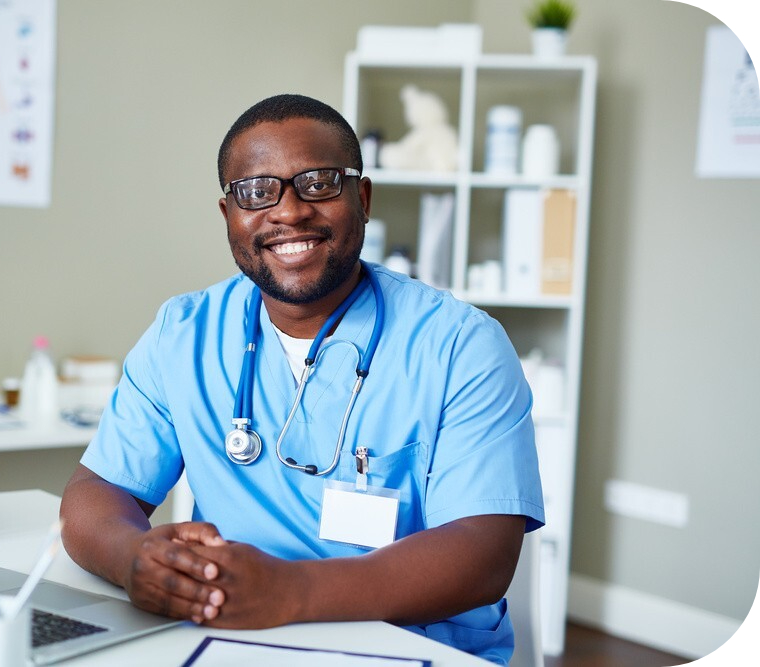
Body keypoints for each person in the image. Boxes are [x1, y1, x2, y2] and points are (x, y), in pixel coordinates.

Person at [60, 93, 544, 665]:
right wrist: (133, 557)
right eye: (256, 192)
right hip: (233, 640)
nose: (289, 212)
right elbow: (95, 494)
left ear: (361, 198)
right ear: (229, 216)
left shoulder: (460, 345)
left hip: (414, 649)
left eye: (318, 184)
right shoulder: (183, 334)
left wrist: (291, 593)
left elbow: (483, 553)